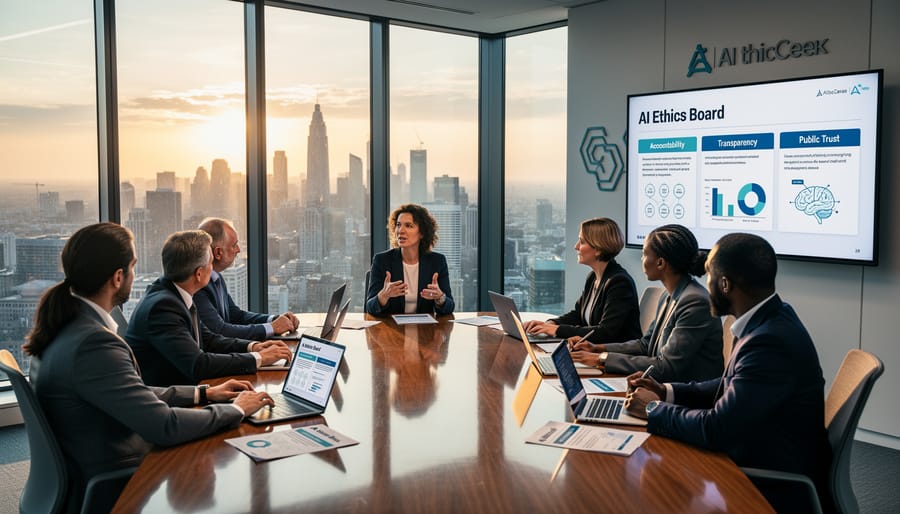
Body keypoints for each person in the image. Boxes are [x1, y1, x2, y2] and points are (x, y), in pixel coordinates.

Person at [24, 223, 274, 512]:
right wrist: (237, 409)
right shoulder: (94, 343)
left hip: (96, 457)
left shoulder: (70, 326)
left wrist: (204, 394)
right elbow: (164, 426)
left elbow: (135, 392)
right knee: (227, 463)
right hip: (115, 475)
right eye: (132, 266)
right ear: (118, 277)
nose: (136, 275)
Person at [624, 233, 833, 513]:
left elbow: (716, 429)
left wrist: (653, 408)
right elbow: (728, 384)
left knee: (646, 488)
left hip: (766, 479)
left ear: (724, 285)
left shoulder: (769, 342)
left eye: (708, 275)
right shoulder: (769, 318)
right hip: (758, 447)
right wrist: (667, 392)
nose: (703, 282)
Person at [126, 230, 294, 386]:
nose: (213, 269)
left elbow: (209, 340)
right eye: (211, 263)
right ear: (199, 274)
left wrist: (253, 347)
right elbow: (198, 364)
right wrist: (259, 358)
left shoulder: (177, 293)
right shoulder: (162, 308)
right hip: (172, 403)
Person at [570, 224, 722, 383]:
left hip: (687, 397)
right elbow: (646, 345)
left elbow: (666, 367)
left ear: (660, 263)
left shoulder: (695, 302)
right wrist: (598, 348)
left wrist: (600, 358)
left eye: (644, 254)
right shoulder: (669, 296)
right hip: (663, 386)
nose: (642, 259)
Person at [523, 217, 642, 343]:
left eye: (582, 242)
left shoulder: (620, 283)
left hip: (615, 357)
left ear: (598, 249)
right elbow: (577, 315)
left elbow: (606, 333)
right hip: (592, 351)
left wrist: (556, 330)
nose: (576, 246)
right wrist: (550, 324)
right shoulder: (593, 277)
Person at [195, 217, 300, 339]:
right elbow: (219, 330)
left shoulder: (216, 277)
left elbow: (236, 316)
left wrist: (274, 319)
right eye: (234, 245)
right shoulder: (198, 285)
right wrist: (272, 328)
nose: (238, 250)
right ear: (218, 253)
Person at [365, 204, 455, 316]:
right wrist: (383, 296)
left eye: (408, 226)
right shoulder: (382, 261)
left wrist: (440, 297)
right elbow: (370, 307)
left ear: (422, 233)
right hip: (392, 330)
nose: (401, 230)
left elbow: (450, 307)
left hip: (425, 329)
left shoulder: (437, 261)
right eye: (398, 225)